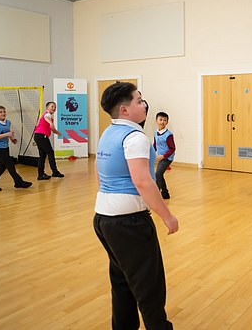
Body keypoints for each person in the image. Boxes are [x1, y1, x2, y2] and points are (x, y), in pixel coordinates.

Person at [93, 82, 178, 330]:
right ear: (124, 109)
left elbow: (100, 176)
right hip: (129, 222)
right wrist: (167, 216)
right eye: (139, 100)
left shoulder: (108, 133)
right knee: (148, 284)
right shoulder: (135, 137)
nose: (144, 104)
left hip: (103, 219)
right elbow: (142, 181)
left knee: (121, 281)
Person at [0, 106, 32, 191]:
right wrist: (7, 135)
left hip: (5, 148)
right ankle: (18, 182)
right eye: (0, 112)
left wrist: (12, 139)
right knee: (10, 164)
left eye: (4, 111)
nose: (3, 113)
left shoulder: (8, 123)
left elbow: (8, 133)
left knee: (2, 167)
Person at [33, 101, 64, 180]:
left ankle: (41, 174)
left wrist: (58, 133)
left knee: (42, 156)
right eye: (52, 106)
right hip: (41, 136)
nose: (54, 108)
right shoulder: (47, 115)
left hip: (38, 136)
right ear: (47, 108)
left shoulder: (49, 117)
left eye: (55, 107)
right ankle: (55, 171)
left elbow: (52, 129)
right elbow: (47, 118)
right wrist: (50, 123)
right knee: (50, 152)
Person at [153, 112, 175, 200]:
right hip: (160, 157)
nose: (162, 122)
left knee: (158, 174)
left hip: (167, 158)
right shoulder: (156, 132)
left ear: (167, 122)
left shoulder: (168, 135)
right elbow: (155, 145)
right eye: (160, 120)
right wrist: (151, 154)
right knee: (159, 174)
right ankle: (165, 194)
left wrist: (162, 157)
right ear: (156, 121)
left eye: (165, 120)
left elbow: (172, 149)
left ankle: (156, 194)